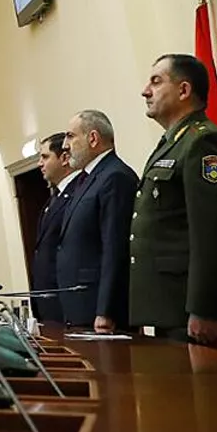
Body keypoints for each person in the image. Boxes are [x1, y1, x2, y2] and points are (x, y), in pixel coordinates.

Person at [133, 54, 217, 350]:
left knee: (207, 397)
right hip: (172, 308)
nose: (145, 91)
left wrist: (205, 307)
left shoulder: (203, 143)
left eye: (156, 81)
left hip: (194, 311)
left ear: (184, 91)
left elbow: (212, 231)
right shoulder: (174, 142)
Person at [57, 110, 138, 331]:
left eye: (71, 136)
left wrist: (106, 310)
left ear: (93, 138)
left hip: (99, 312)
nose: (65, 145)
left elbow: (116, 247)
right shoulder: (87, 179)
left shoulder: (115, 177)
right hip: (80, 306)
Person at [29, 133, 77, 323]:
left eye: (45, 157)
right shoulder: (53, 199)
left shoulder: (76, 195)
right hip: (48, 304)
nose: (40, 164)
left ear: (64, 158)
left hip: (66, 304)